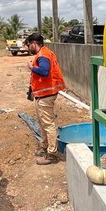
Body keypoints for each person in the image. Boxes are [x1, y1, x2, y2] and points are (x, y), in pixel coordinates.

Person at [25, 33, 66, 165]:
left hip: (46, 95)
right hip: (44, 93)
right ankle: (44, 147)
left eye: (29, 45)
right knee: (43, 122)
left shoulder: (43, 55)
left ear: (34, 43)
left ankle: (52, 154)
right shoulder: (46, 53)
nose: (28, 48)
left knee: (48, 124)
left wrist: (32, 68)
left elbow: (44, 71)